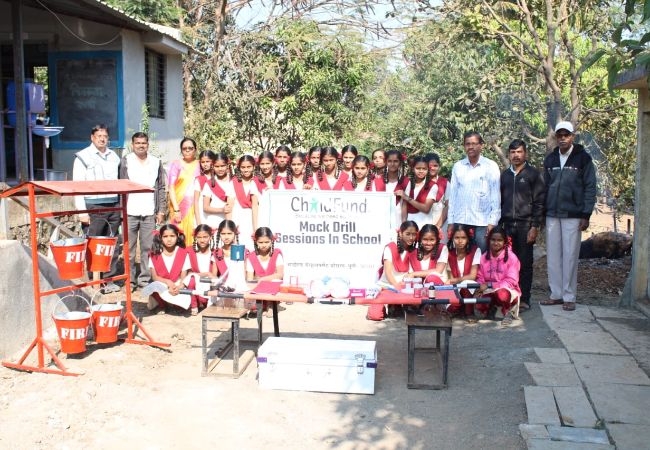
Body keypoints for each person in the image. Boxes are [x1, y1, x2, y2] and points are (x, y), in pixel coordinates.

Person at [540, 122, 597, 312]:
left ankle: (569, 296)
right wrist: (541, 213)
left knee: (571, 255)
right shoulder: (550, 160)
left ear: (573, 136)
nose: (562, 138)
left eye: (566, 135)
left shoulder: (583, 159)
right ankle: (556, 294)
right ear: (555, 137)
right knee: (553, 257)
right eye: (559, 135)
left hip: (573, 215)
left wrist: (585, 214)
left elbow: (590, 188)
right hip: (552, 214)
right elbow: (544, 188)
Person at [72, 123, 121, 293]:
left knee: (111, 243)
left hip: (113, 204)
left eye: (105, 136)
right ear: (92, 138)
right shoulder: (83, 157)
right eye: (98, 136)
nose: (102, 139)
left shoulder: (114, 156)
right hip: (93, 205)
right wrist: (82, 212)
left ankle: (109, 279)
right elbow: (77, 186)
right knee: (93, 244)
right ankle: (94, 280)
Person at [499, 139, 545, 312]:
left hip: (526, 226)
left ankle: (524, 298)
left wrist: (535, 226)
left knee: (525, 263)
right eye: (512, 152)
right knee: (508, 263)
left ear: (525, 153)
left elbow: (540, 202)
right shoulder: (504, 175)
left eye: (519, 151)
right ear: (509, 154)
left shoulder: (533, 174)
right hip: (507, 226)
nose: (515, 155)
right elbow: (499, 201)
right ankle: (510, 296)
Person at [119, 132, 166, 292]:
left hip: (149, 212)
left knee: (148, 248)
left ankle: (144, 280)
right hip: (129, 212)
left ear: (148, 144)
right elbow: (121, 187)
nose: (141, 146)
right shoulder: (126, 161)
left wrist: (160, 211)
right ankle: (129, 281)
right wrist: (121, 212)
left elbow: (160, 187)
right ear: (132, 145)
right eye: (137, 143)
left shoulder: (155, 162)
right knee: (129, 250)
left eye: (144, 143)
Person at [447, 131, 501, 253]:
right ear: (464, 146)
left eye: (474, 143)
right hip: (461, 220)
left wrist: (493, 222)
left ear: (481, 145)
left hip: (482, 222)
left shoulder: (491, 166)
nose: (470, 147)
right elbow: (453, 195)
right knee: (461, 256)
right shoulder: (458, 166)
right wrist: (451, 221)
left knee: (481, 257)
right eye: (467, 144)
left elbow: (495, 196)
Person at [368, 220, 419, 321]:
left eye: (414, 234)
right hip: (386, 286)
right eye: (408, 234)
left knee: (407, 314)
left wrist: (403, 285)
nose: (411, 238)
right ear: (400, 233)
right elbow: (388, 273)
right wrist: (396, 290)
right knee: (375, 315)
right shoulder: (390, 247)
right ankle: (382, 305)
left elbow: (412, 273)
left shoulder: (414, 250)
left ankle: (395, 304)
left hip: (404, 287)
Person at [474, 226, 521, 325]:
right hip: (489, 290)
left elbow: (511, 282)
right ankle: (492, 310)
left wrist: (489, 285)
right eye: (493, 240)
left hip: (507, 290)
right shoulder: (484, 257)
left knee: (502, 294)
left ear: (505, 242)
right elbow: (480, 277)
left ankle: (507, 312)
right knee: (478, 302)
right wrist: (479, 287)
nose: (496, 243)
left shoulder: (512, 258)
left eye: (499, 240)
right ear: (488, 240)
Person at [148, 224, 190, 314]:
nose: (169, 239)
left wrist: (180, 286)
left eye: (172, 236)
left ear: (177, 236)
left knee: (185, 287)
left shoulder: (183, 252)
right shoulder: (155, 253)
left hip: (178, 283)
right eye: (165, 236)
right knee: (154, 285)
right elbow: (154, 277)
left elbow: (183, 275)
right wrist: (167, 282)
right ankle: (162, 305)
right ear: (160, 237)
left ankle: (177, 305)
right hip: (163, 283)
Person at [445, 224, 482, 322]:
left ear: (468, 238)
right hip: (457, 287)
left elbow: (472, 276)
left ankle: (470, 312)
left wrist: (453, 280)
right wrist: (453, 282)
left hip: (470, 286)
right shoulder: (450, 253)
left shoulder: (475, 250)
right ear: (452, 238)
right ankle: (460, 309)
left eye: (463, 238)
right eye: (457, 238)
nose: (460, 241)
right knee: (451, 308)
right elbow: (450, 274)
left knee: (467, 284)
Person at [168, 138, 200, 245]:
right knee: (178, 233)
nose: (187, 150)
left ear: (195, 150)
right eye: (184, 148)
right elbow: (171, 187)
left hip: (195, 205)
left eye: (190, 148)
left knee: (193, 230)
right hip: (179, 205)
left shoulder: (199, 164)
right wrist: (176, 209)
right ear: (181, 150)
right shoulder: (176, 164)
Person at [186, 224, 218, 315]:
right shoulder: (190, 251)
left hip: (209, 283)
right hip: (195, 282)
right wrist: (206, 274)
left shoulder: (215, 252)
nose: (202, 240)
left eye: (205, 237)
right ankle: (194, 306)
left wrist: (209, 275)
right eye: (199, 237)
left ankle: (205, 303)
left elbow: (214, 275)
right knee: (191, 279)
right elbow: (189, 273)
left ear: (211, 237)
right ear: (195, 237)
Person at [228, 155, 259, 247]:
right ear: (239, 168)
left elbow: (256, 206)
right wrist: (229, 229)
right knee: (238, 247)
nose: (246, 170)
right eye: (243, 167)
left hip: (255, 219)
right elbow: (229, 207)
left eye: (249, 167)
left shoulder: (259, 182)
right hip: (238, 219)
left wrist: (255, 228)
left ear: (254, 167)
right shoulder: (233, 182)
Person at [398, 156, 435, 230]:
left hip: (424, 222)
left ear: (428, 170)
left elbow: (426, 208)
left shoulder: (433, 186)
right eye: (418, 168)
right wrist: (403, 224)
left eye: (424, 169)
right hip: (409, 223)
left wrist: (407, 198)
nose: (421, 171)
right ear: (413, 169)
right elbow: (404, 206)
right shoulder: (409, 183)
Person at [202, 153, 234, 228]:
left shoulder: (234, 181)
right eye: (217, 166)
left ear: (227, 166)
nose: (220, 169)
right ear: (212, 166)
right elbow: (205, 207)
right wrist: (222, 210)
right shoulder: (209, 183)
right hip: (214, 220)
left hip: (233, 219)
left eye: (223, 166)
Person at [425, 153, 450, 239]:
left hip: (441, 221)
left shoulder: (445, 183)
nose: (432, 168)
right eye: (430, 165)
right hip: (423, 220)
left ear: (439, 166)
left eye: (435, 165)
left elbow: (448, 205)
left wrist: (438, 225)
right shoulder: (419, 182)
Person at [384, 150, 410, 229]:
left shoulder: (406, 181)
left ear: (400, 163)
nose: (392, 164)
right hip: (382, 217)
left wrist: (404, 225)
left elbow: (404, 205)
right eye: (389, 161)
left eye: (395, 161)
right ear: (385, 162)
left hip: (397, 218)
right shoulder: (377, 181)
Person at [194, 150, 216, 226]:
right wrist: (198, 221)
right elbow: (196, 202)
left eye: (208, 161)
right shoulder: (199, 179)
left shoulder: (219, 178)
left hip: (217, 213)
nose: (205, 164)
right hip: (203, 215)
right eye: (203, 162)